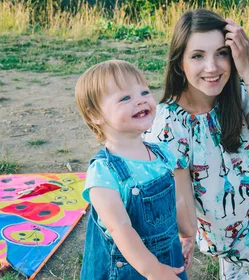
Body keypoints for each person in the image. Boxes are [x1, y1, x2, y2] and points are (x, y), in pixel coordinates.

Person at [144, 9, 249, 279]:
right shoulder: (169, 124)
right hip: (236, 231)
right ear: (179, 63)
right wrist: (186, 237)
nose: (212, 67)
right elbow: (181, 200)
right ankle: (237, 258)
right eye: (197, 56)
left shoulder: (237, 94)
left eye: (221, 53)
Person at [75, 60, 192, 280]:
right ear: (95, 115)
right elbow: (121, 229)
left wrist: (186, 234)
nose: (140, 100)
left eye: (144, 92)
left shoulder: (162, 154)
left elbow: (175, 200)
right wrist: (155, 272)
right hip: (128, 271)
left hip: (168, 257)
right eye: (125, 98)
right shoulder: (103, 173)